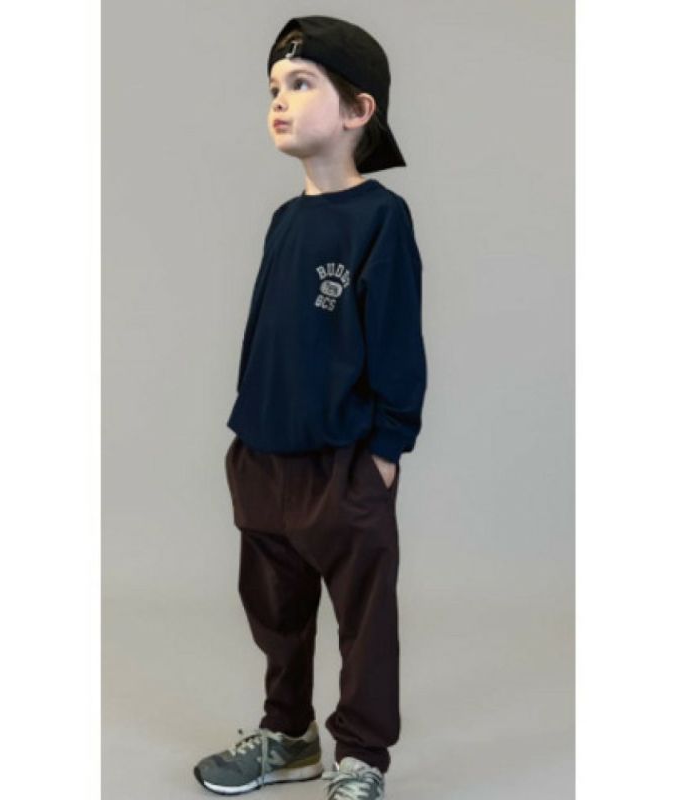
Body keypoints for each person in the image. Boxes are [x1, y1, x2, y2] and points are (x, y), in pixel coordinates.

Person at [193, 15, 428, 800]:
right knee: (276, 613)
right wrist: (246, 435)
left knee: (364, 618)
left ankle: (362, 756)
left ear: (359, 110)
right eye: (274, 87)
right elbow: (265, 336)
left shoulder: (380, 218)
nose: (279, 100)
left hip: (344, 462)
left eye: (301, 84)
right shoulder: (285, 221)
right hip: (264, 457)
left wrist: (387, 448)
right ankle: (289, 736)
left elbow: (395, 340)